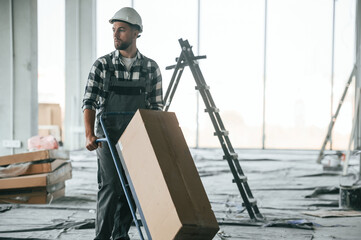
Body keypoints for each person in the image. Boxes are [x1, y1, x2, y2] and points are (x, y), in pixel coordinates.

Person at [82, 7, 163, 240]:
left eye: (122, 30)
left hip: (137, 136)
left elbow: (157, 108)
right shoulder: (102, 65)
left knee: (131, 186)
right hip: (107, 135)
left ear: (136, 32)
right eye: (114, 30)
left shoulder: (151, 68)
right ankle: (102, 236)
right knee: (110, 185)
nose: (116, 35)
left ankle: (120, 235)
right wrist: (89, 134)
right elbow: (89, 101)